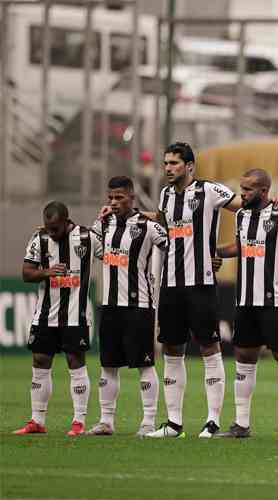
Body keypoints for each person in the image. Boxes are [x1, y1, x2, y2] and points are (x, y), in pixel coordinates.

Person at [145, 142, 245, 439]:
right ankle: (174, 423)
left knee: (209, 348)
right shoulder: (165, 195)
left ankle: (212, 420)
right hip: (171, 285)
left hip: (201, 284)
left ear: (189, 166)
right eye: (166, 163)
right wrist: (131, 212)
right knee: (172, 349)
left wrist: (272, 201)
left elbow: (244, 203)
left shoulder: (210, 191)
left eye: (174, 163)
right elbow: (163, 222)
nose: (168, 169)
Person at [215, 168, 278, 439]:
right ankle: (241, 424)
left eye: (247, 189)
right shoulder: (241, 216)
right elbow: (241, 245)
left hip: (276, 300)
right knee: (244, 358)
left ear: (263, 191)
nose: (242, 194)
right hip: (246, 300)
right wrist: (215, 252)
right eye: (241, 188)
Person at [85, 176, 168, 437]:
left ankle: (148, 421)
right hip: (108, 304)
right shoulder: (104, 224)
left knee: (145, 365)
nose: (114, 202)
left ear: (132, 198)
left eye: (119, 197)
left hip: (139, 305)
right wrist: (97, 221)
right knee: (108, 365)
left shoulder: (147, 226)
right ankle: (106, 421)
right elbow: (91, 249)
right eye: (110, 197)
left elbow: (174, 245)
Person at [14, 202, 94, 436]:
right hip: (45, 315)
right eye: (48, 228)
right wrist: (46, 272)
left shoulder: (87, 237)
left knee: (74, 361)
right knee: (39, 360)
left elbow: (110, 255)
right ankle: (37, 421)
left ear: (67, 221)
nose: (52, 233)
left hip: (75, 314)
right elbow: (26, 273)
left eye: (56, 228)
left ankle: (79, 422)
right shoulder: (39, 239)